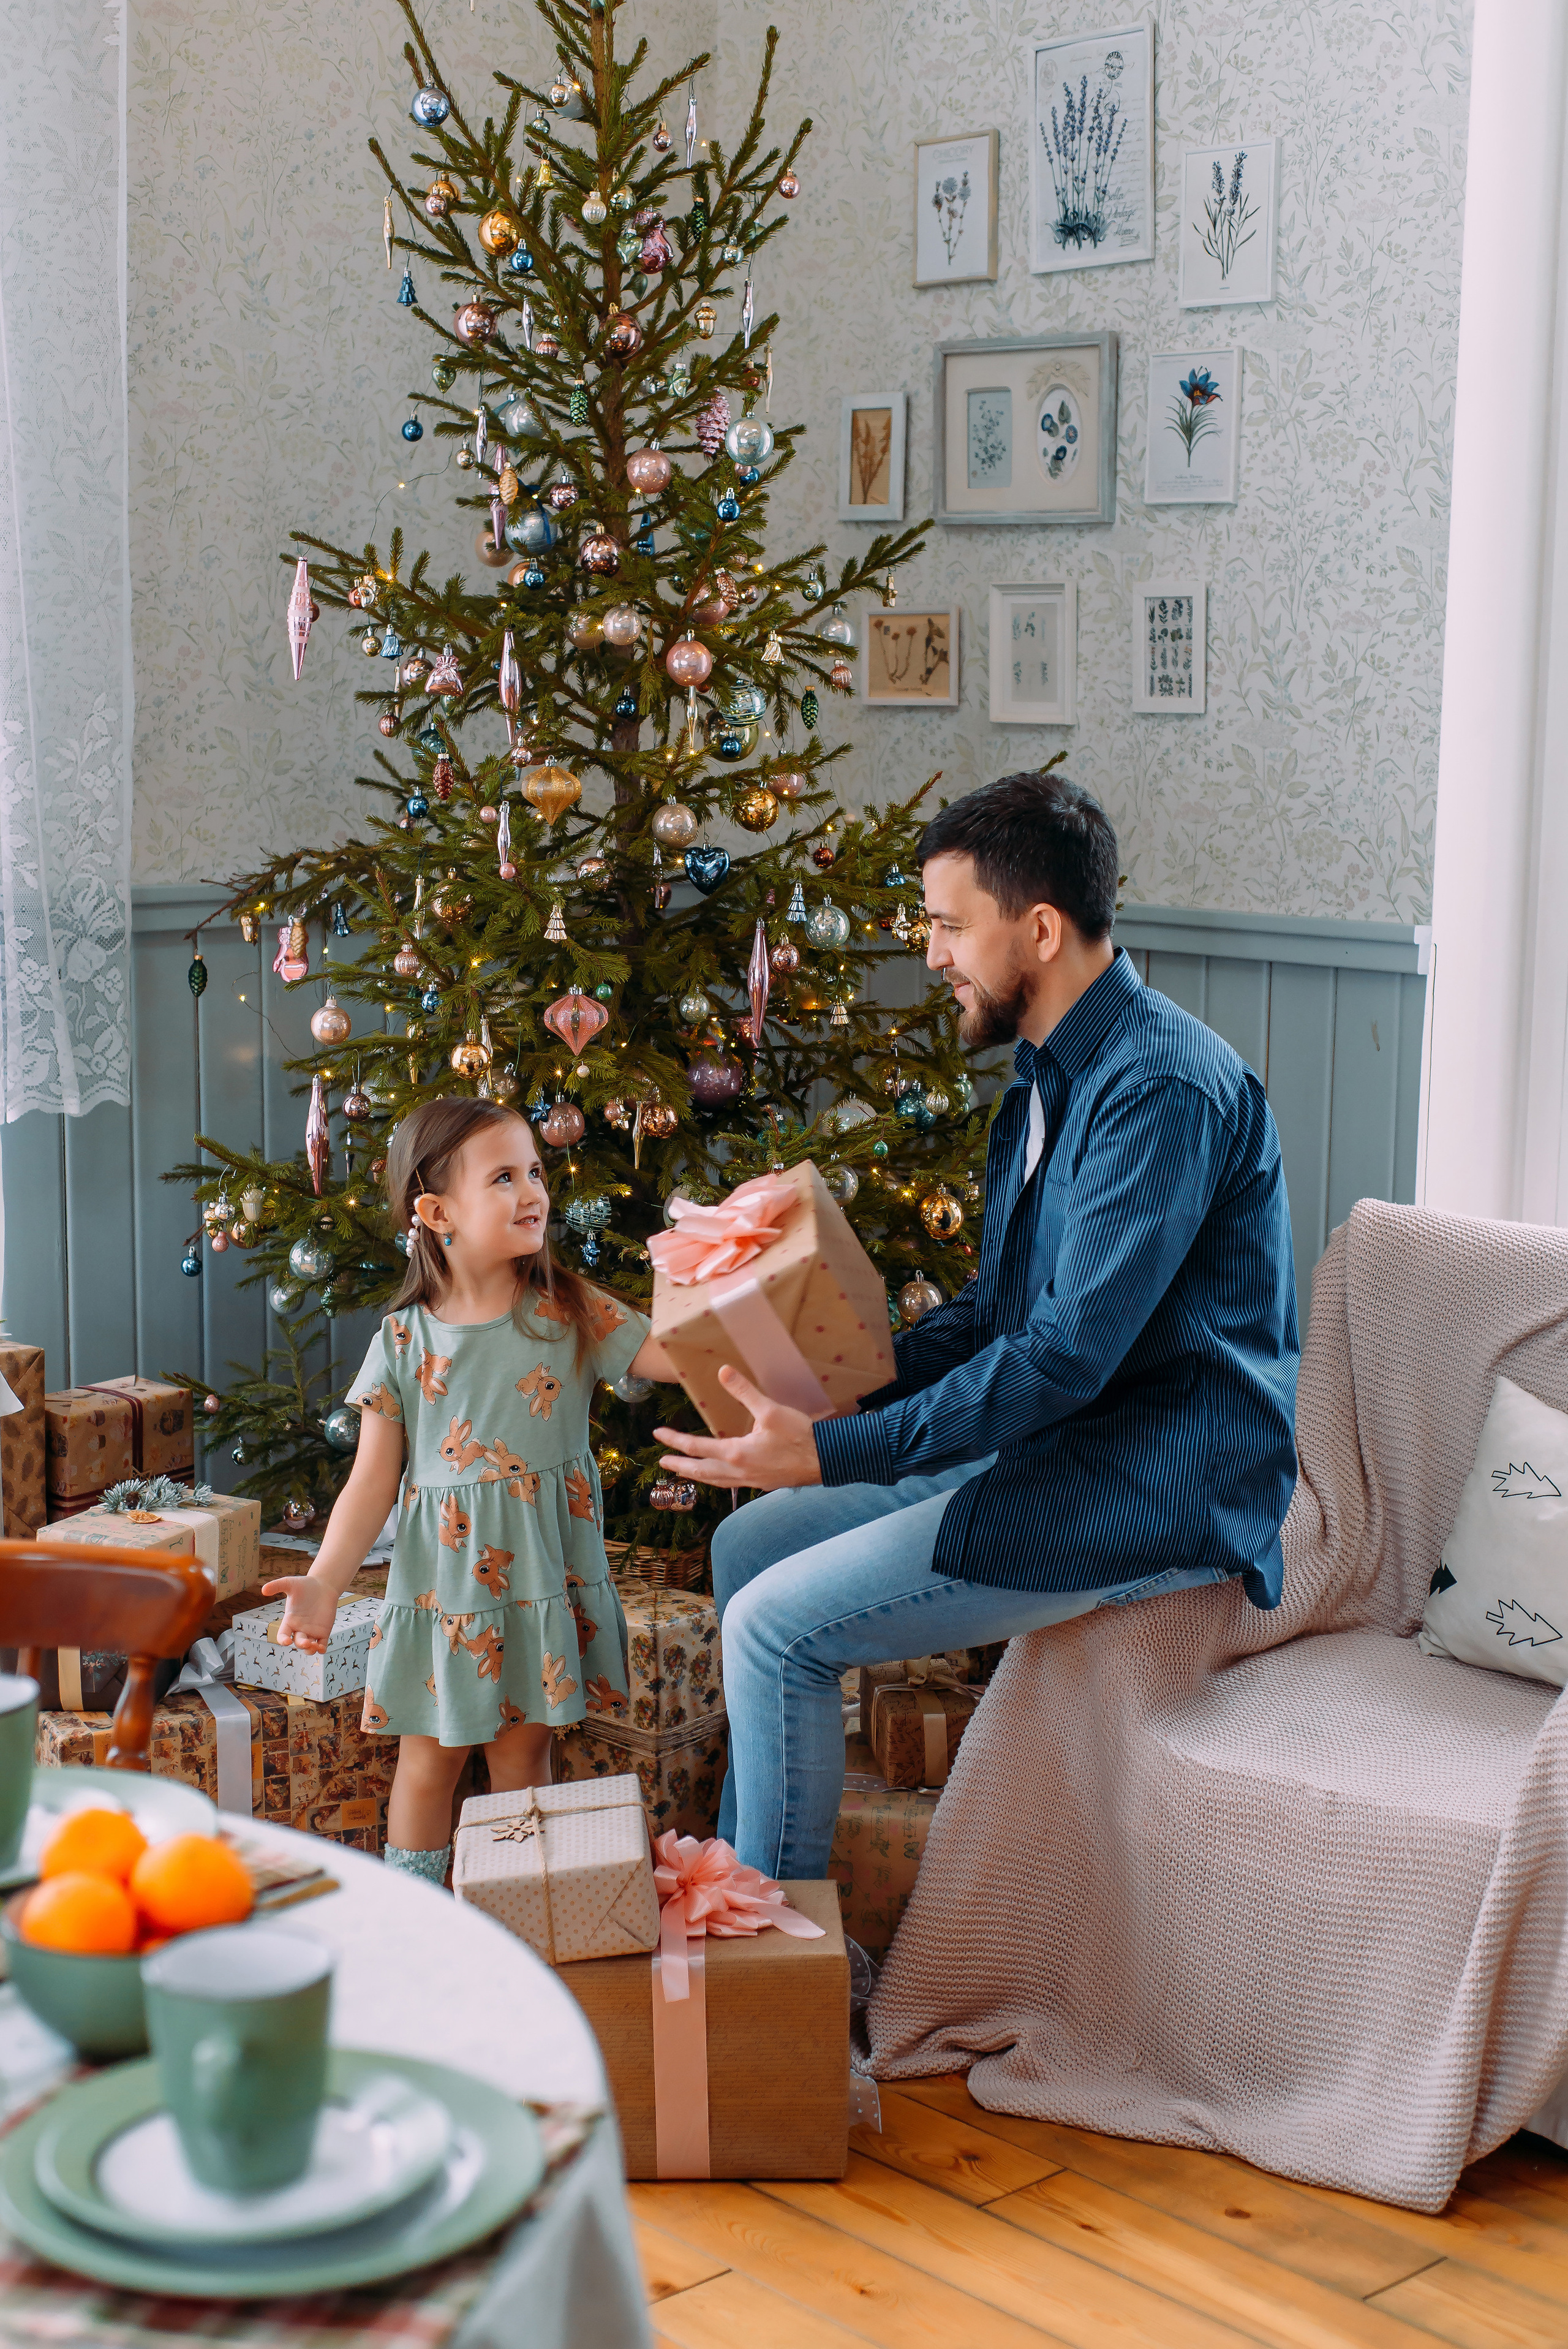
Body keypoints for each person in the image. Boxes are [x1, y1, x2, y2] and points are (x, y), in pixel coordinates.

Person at [656, 770, 1301, 1882]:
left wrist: (825, 1449)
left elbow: (1062, 1358)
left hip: (1146, 1482)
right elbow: (997, 1313)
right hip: (1053, 1441)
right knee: (745, 1542)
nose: (934, 953)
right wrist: (835, 1391)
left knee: (774, 1628)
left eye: (952, 924)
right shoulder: (1048, 1075)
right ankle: (750, 1879)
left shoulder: (1163, 1088)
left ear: (1039, 928)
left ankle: (766, 1957)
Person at [262, 1095, 677, 1884]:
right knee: (430, 1762)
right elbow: (370, 1484)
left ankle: (522, 1916)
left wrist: (715, 1277)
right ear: (437, 1211)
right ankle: (415, 1920)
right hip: (447, 1597)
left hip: (538, 1587)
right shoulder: (404, 1340)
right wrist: (322, 1582)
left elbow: (677, 1354)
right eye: (504, 1178)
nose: (533, 1193)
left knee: (524, 1759)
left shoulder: (570, 1311)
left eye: (535, 1172)